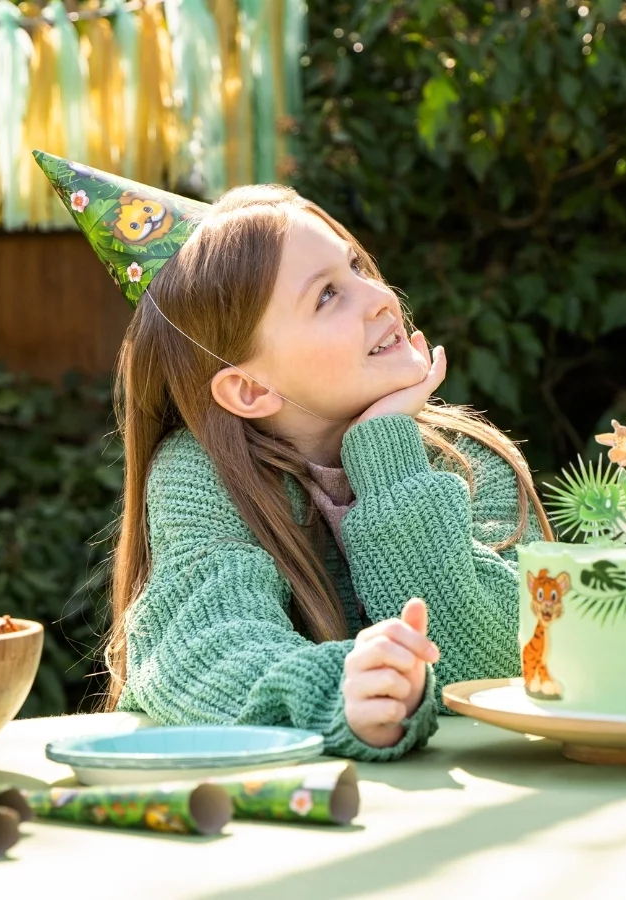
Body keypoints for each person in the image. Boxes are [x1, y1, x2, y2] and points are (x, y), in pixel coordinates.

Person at [34, 151, 552, 760]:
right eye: (328, 295)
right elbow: (205, 646)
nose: (381, 296)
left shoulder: (461, 462)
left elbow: (493, 662)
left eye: (357, 266)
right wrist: (340, 691)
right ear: (250, 388)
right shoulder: (206, 476)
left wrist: (387, 452)